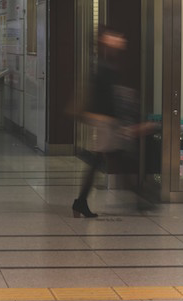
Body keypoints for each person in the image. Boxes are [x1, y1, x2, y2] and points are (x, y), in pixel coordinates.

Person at [72, 28, 156, 218]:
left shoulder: (106, 62)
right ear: (105, 40)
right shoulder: (104, 64)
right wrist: (120, 121)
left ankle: (82, 201)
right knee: (108, 158)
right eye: (115, 37)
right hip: (105, 121)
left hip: (106, 120)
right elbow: (104, 95)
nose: (120, 40)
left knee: (111, 157)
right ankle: (82, 201)